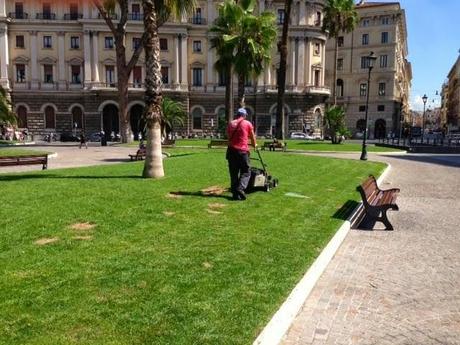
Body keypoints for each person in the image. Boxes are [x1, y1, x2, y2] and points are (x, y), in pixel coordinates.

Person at [226, 108, 257, 201]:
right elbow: (252, 136)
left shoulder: (231, 124)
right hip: (242, 151)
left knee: (234, 173)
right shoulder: (247, 123)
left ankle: (235, 194)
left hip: (231, 151)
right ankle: (240, 188)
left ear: (237, 115)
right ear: (244, 115)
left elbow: (228, 136)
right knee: (246, 171)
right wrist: (254, 145)